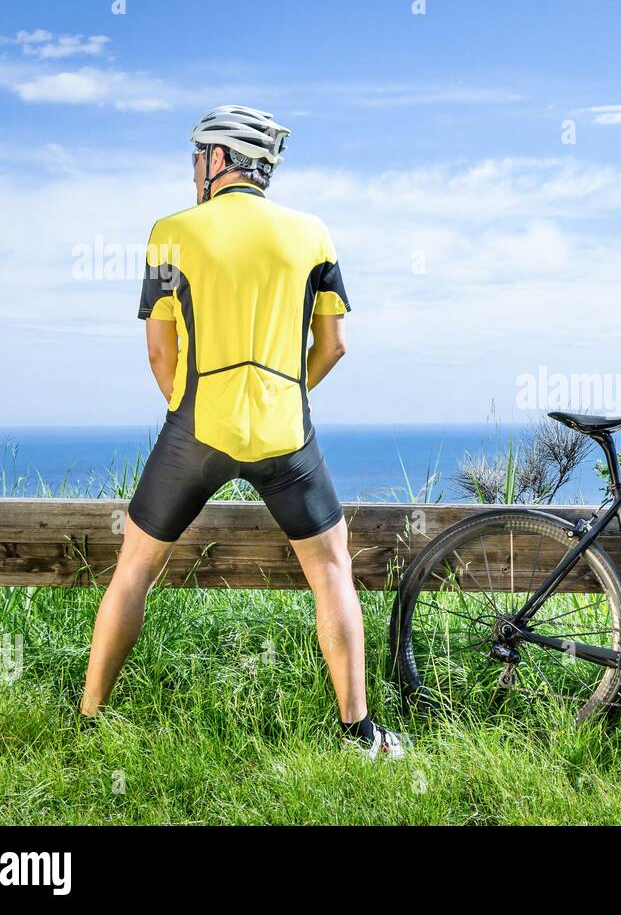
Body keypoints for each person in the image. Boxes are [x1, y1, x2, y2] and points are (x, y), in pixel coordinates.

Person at [80, 105, 407, 759]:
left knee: (134, 569)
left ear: (220, 159)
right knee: (333, 571)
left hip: (196, 430)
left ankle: (88, 721)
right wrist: (280, 396)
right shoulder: (313, 234)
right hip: (286, 434)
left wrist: (195, 414)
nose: (191, 170)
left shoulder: (172, 233)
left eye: (197, 156)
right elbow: (334, 345)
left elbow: (160, 353)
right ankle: (359, 733)